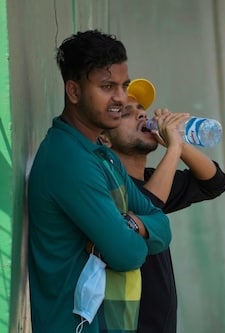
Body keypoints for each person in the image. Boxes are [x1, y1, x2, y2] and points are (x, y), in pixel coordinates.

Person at [27, 30, 172, 333]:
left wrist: (132, 225)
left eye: (124, 85)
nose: (120, 97)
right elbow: (127, 254)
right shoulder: (69, 160)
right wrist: (134, 230)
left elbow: (162, 225)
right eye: (107, 86)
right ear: (74, 91)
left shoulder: (101, 156)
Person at [98, 78, 225, 333]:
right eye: (127, 112)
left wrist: (177, 145)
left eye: (142, 111)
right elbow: (145, 208)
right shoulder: (106, 185)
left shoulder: (153, 179)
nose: (140, 115)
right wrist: (174, 151)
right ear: (104, 138)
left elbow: (214, 183)